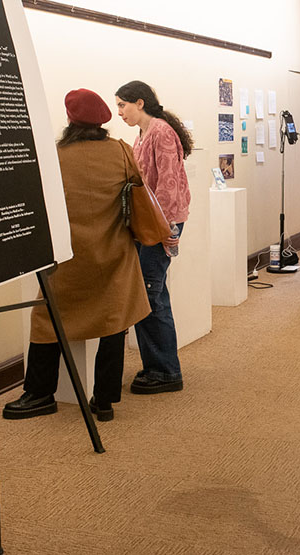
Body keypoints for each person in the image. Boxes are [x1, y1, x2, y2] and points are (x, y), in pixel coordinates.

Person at [4, 89, 150, 421]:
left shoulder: (54, 156)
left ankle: (40, 393)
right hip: (113, 253)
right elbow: (138, 190)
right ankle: (105, 400)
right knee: (114, 320)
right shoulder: (120, 151)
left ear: (70, 120)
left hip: (68, 259)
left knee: (46, 320)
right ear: (103, 121)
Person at [115, 80, 192, 394]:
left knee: (150, 294)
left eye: (122, 105)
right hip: (152, 222)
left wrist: (166, 231)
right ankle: (160, 366)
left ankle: (164, 371)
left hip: (161, 223)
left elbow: (168, 185)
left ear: (140, 103)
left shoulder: (159, 132)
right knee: (154, 294)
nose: (119, 112)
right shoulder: (144, 133)